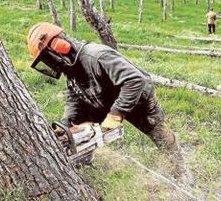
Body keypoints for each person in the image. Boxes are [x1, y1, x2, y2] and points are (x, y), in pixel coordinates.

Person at [26, 23, 182, 162]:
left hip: (136, 98)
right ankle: (83, 160)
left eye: (47, 59)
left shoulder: (96, 56)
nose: (49, 65)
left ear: (59, 46)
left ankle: (181, 170)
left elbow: (135, 80)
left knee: (158, 133)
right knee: (80, 131)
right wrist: (67, 122)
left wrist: (116, 114)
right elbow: (74, 95)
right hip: (104, 99)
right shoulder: (72, 67)